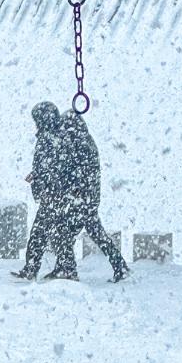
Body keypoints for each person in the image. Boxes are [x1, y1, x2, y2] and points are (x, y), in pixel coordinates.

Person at [53, 112, 129, 282]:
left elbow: (77, 172)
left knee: (66, 233)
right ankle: (119, 266)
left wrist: (73, 190)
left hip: (82, 199)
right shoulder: (85, 141)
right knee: (85, 234)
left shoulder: (80, 144)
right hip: (87, 198)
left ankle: (67, 269)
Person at [12, 102, 69, 281]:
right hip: (55, 193)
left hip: (51, 194)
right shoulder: (55, 136)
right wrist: (37, 174)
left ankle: (33, 268)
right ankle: (64, 267)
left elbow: (50, 166)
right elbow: (51, 165)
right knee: (55, 233)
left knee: (40, 233)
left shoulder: (48, 138)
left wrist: (44, 185)